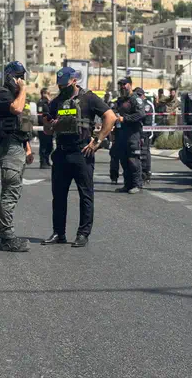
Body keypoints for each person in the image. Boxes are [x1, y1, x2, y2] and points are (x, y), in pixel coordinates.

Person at [42, 67, 117, 248]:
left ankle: (83, 234)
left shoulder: (88, 98)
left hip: (81, 153)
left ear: (74, 81)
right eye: (59, 85)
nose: (62, 88)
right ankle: (59, 233)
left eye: (65, 84)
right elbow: (46, 129)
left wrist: (97, 141)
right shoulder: (56, 102)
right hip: (61, 153)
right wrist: (50, 124)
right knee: (58, 196)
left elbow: (110, 117)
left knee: (85, 195)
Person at [0, 61, 35, 252]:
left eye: (23, 77)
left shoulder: (18, 96)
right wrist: (23, 89)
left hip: (17, 145)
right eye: (19, 76)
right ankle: (7, 237)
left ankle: (5, 235)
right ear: (10, 77)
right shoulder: (2, 94)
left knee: (13, 191)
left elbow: (20, 123)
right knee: (10, 192)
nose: (22, 81)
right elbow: (16, 109)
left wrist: (28, 148)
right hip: (8, 147)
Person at [113, 78, 146, 194]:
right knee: (124, 160)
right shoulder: (120, 100)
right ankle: (127, 185)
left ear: (130, 85)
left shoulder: (135, 98)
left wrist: (125, 118)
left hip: (133, 134)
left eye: (124, 84)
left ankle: (137, 184)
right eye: (120, 84)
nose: (122, 86)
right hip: (121, 134)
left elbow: (141, 114)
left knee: (133, 160)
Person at [135, 87, 154, 185]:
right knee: (140, 152)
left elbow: (147, 121)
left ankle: (146, 173)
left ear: (142, 95)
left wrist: (143, 135)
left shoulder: (147, 104)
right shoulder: (140, 103)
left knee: (145, 153)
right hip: (139, 132)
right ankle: (142, 173)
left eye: (138, 95)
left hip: (146, 133)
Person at [37, 88, 53, 169]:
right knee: (44, 145)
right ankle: (43, 162)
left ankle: (47, 160)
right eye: (48, 93)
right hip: (43, 127)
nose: (49, 94)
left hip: (49, 127)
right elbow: (40, 116)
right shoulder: (41, 103)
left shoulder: (49, 103)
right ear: (43, 93)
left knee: (50, 146)